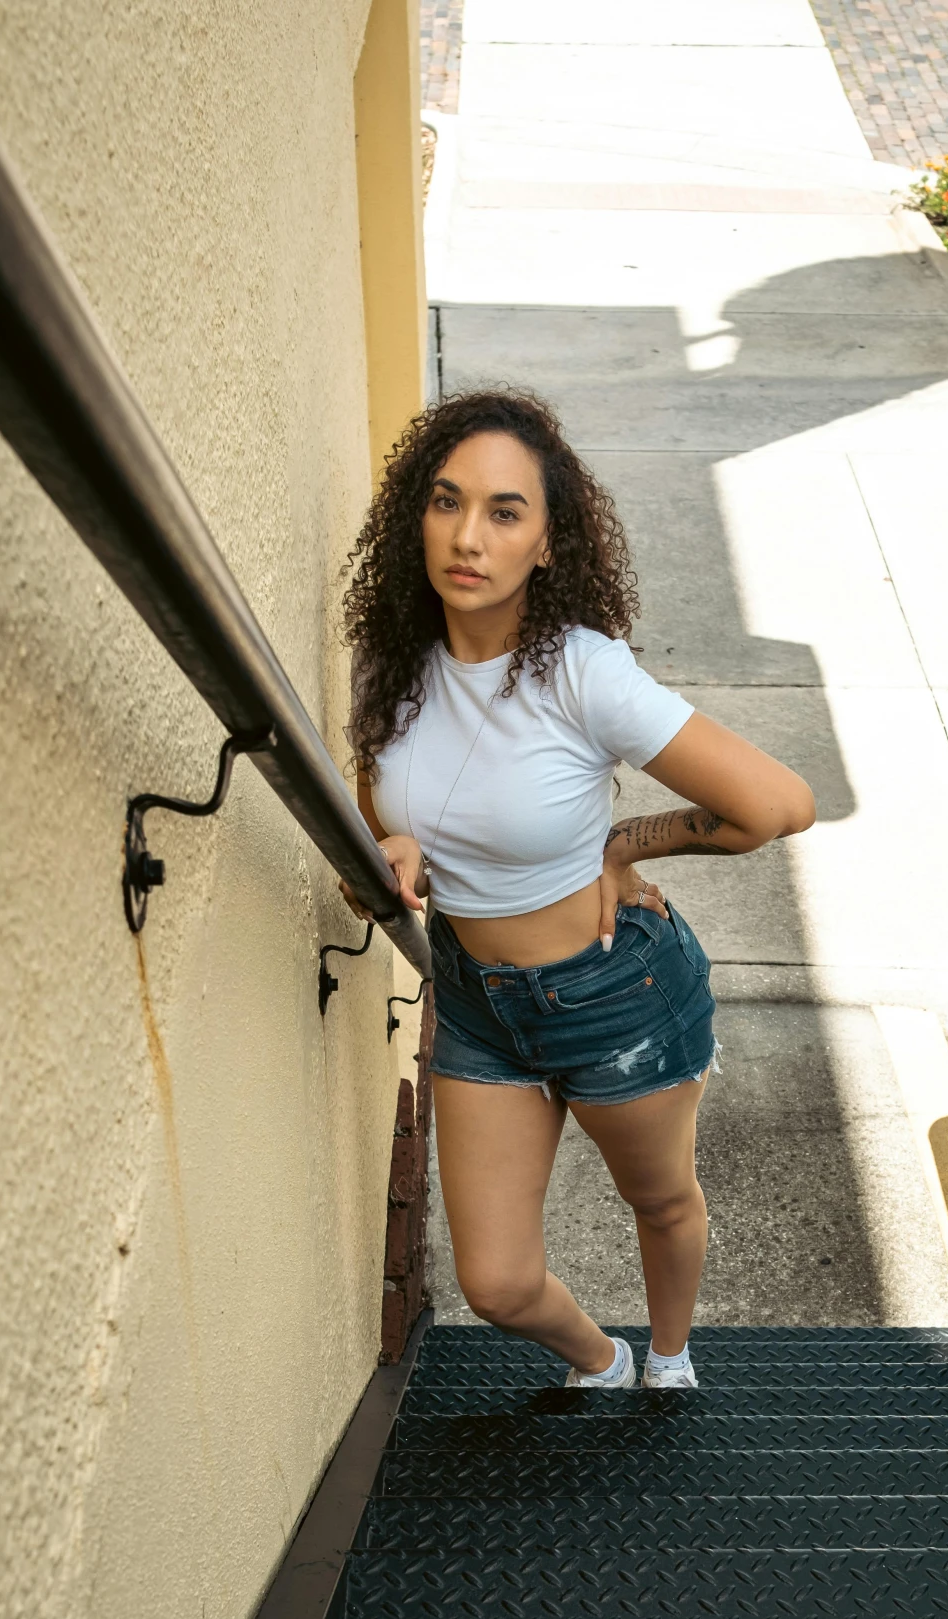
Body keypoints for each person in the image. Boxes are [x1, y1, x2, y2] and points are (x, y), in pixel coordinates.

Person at [342, 390, 814, 1391]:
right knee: (498, 1284)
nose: (468, 537)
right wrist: (389, 847)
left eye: (504, 512)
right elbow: (373, 815)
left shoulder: (580, 675)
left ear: (548, 542)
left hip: (615, 996)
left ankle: (672, 1361)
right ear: (414, 516)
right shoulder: (390, 665)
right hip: (475, 1001)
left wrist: (620, 842)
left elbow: (778, 803)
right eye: (445, 500)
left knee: (660, 1199)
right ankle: (600, 1363)